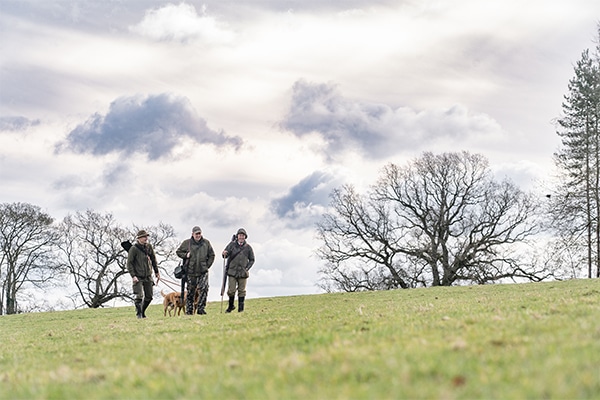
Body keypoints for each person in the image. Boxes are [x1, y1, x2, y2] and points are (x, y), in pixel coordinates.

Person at [176, 226, 215, 315]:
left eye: (199, 233)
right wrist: (186, 255)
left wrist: (207, 266)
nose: (198, 235)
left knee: (204, 289)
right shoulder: (187, 243)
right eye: (196, 233)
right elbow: (178, 252)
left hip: (203, 271)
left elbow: (212, 255)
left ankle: (201, 309)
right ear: (192, 234)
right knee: (190, 291)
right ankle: (189, 310)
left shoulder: (206, 243)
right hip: (191, 271)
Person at [127, 229, 160, 319]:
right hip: (138, 276)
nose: (146, 238)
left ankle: (143, 312)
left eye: (146, 236)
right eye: (144, 237)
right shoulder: (133, 249)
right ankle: (139, 314)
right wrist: (133, 276)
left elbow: (153, 259)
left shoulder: (149, 247)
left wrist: (156, 272)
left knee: (149, 296)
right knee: (139, 295)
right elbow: (129, 263)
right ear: (139, 238)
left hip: (148, 275)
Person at [222, 227, 255, 313]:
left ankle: (241, 309)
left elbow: (252, 259)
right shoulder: (231, 245)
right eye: (240, 235)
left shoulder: (248, 248)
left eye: (243, 235)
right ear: (237, 236)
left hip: (243, 273)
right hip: (232, 272)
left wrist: (247, 268)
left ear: (245, 237)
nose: (241, 237)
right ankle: (230, 306)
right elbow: (225, 254)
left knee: (242, 291)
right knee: (231, 290)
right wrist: (224, 253)